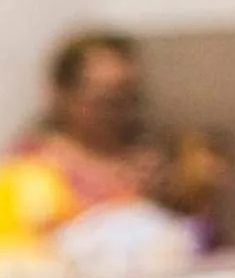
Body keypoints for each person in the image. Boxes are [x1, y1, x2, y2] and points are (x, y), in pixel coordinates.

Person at [10, 32, 159, 212]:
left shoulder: (147, 156)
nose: (115, 113)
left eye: (127, 99)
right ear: (64, 95)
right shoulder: (32, 163)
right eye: (103, 101)